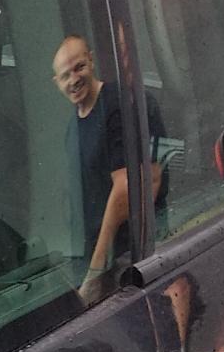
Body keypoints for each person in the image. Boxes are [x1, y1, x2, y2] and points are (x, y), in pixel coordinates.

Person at [52, 34, 165, 287]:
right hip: (94, 260)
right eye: (65, 76)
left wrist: (96, 272)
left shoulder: (120, 105)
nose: (74, 80)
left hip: (130, 263)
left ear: (91, 61)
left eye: (79, 67)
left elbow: (131, 187)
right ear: (56, 82)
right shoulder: (73, 128)